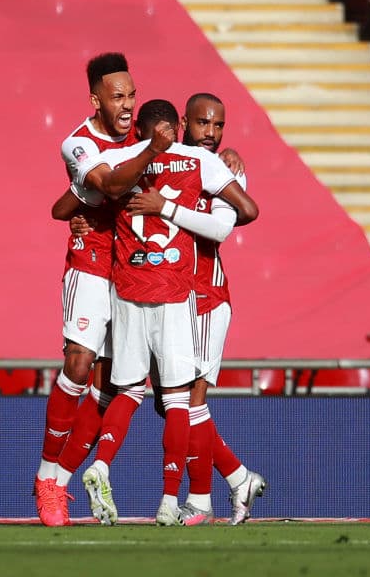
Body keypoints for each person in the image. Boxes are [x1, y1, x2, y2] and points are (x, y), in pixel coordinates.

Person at [102, 99, 259, 526]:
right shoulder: (169, 163)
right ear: (183, 124)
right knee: (168, 403)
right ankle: (237, 476)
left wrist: (167, 209)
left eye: (219, 125)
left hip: (205, 296)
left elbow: (224, 227)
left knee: (189, 401)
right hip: (169, 295)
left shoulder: (223, 169)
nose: (211, 131)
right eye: (203, 122)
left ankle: (202, 500)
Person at [34, 52, 173, 527]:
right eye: (118, 96)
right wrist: (152, 152)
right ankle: (45, 478)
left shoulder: (142, 135)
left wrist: (226, 157)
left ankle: (63, 485)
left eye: (132, 94)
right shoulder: (78, 144)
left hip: (133, 270)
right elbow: (109, 184)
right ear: (96, 99)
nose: (129, 104)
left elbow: (189, 150)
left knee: (112, 387)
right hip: (91, 261)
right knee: (78, 358)